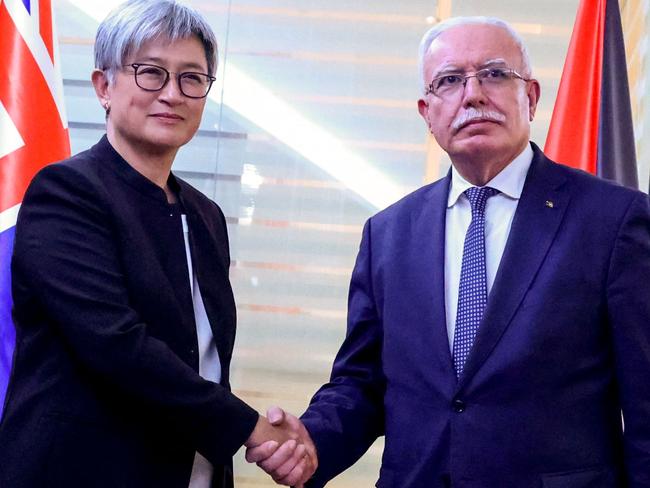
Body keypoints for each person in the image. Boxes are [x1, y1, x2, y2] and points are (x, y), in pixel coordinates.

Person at [246, 16, 650, 487]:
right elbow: (363, 382)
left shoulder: (613, 219)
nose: (473, 94)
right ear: (427, 111)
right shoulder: (388, 233)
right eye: (450, 80)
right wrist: (313, 441)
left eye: (495, 74)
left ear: (532, 97)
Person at [0, 1, 312, 487]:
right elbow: (116, 344)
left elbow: (205, 361)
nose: (172, 93)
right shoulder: (65, 192)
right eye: (151, 73)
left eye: (192, 78)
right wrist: (251, 429)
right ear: (104, 87)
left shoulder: (206, 214)